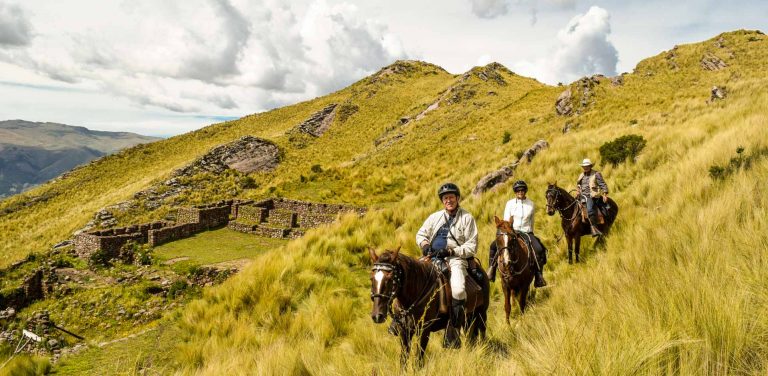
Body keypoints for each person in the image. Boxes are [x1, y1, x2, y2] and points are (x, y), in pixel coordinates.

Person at [416, 182, 478, 349]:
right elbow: (421, 233)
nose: (448, 200)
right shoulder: (434, 217)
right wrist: (424, 245)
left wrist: (452, 251)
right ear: (442, 201)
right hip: (432, 257)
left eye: (451, 197)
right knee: (411, 276)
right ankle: (401, 320)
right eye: (445, 198)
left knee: (458, 290)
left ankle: (454, 329)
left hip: (455, 259)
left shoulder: (467, 218)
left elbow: (472, 246)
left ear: (457, 198)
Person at [487, 180, 548, 288]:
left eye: (522, 190)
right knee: (493, 246)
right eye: (518, 190)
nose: (520, 192)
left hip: (526, 232)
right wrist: (508, 231)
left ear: (525, 191)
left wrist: (531, 234)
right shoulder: (509, 203)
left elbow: (532, 220)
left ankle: (539, 276)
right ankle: (491, 269)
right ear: (515, 191)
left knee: (539, 249)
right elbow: (506, 219)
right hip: (511, 231)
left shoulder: (531, 204)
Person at [576, 158, 610, 237]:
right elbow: (578, 185)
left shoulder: (596, 174)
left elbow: (602, 184)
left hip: (591, 195)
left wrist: (605, 194)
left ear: (590, 166)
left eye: (587, 166)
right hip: (581, 195)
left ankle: (594, 228)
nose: (585, 167)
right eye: (584, 166)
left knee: (590, 209)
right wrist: (578, 191)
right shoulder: (581, 175)